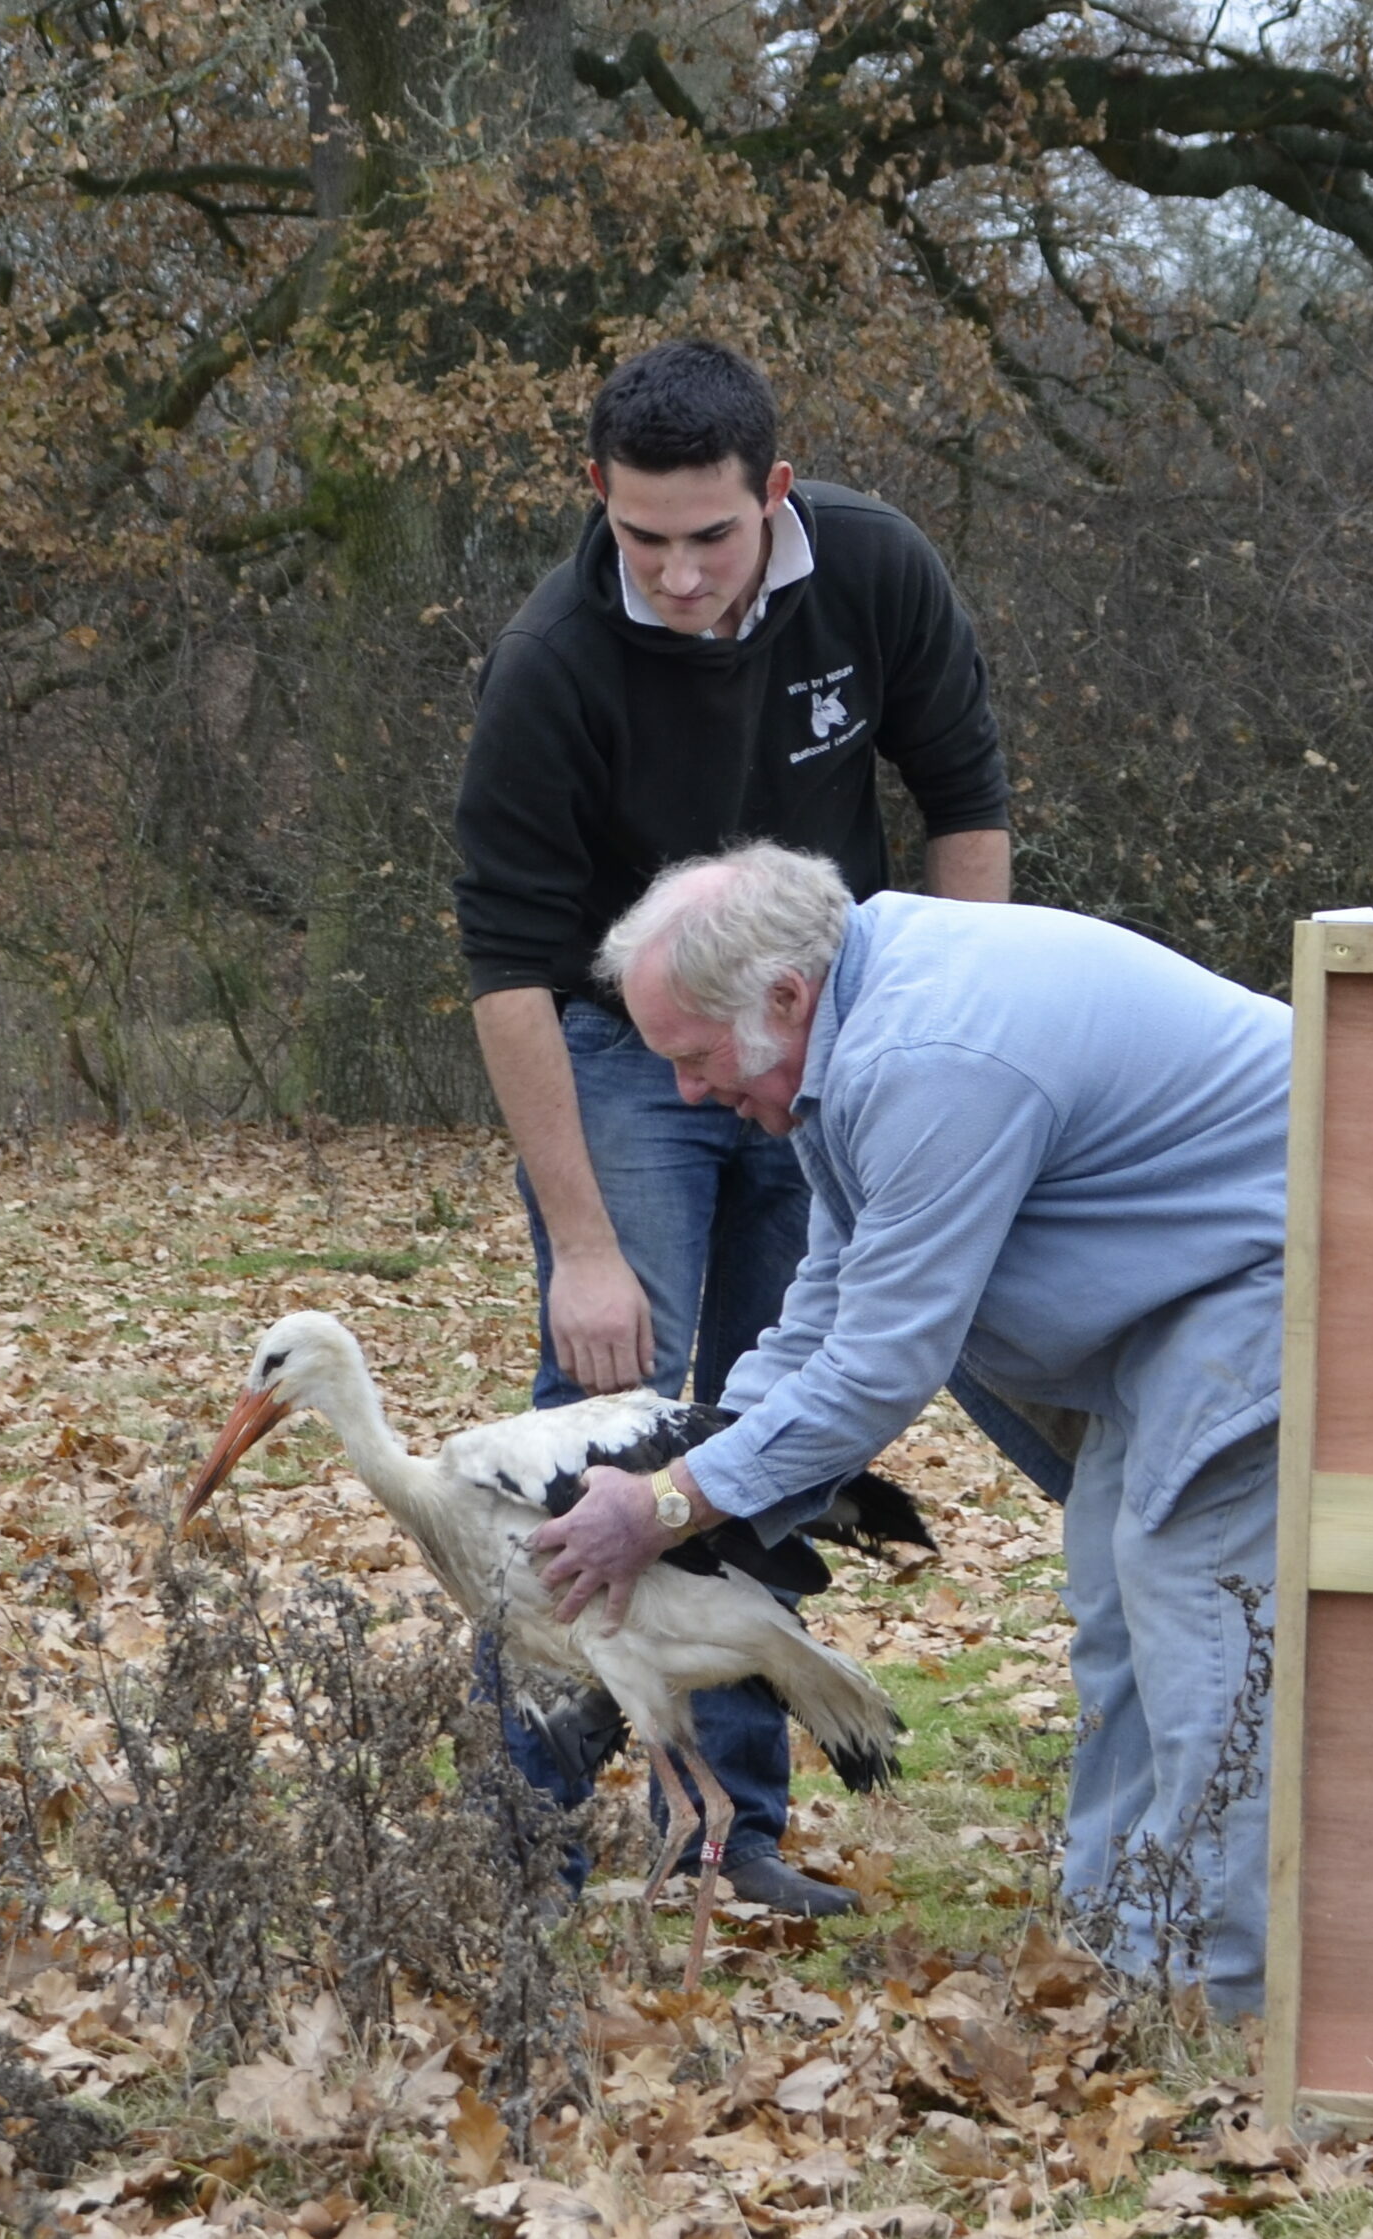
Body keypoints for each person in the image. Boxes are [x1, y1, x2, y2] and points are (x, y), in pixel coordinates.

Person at [527, 845, 1290, 2015]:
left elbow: (885, 1363)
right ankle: (1117, 1949)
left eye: (692, 1056)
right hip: (1167, 1314)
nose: (686, 1093)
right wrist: (681, 1462)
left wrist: (676, 1506)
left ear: (783, 997)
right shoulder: (855, 1022)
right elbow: (824, 1308)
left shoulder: (927, 1056)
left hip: (1273, 1274)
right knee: (1116, 1614)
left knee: (1192, 1616)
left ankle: (1213, 1997)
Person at [453, 341, 1012, 1915]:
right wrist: (581, 1243)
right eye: (643, 538)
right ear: (596, 502)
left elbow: (963, 802)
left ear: (775, 491)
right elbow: (504, 965)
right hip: (624, 1059)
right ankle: (527, 1837)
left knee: (774, 1438)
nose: (681, 572)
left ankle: (729, 1835)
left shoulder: (878, 569)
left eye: (713, 533)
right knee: (599, 1427)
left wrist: (946, 1037)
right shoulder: (552, 662)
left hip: (832, 1037)